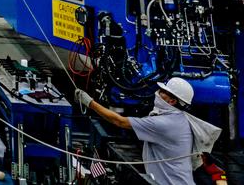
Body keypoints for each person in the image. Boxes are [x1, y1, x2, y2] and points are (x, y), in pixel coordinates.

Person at [76, 78, 218, 185]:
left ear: (172, 101)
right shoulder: (179, 119)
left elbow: (119, 121)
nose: (158, 93)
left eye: (163, 92)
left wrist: (89, 102)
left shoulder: (164, 124)